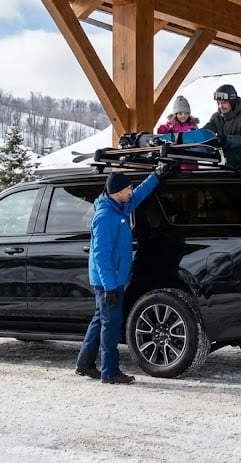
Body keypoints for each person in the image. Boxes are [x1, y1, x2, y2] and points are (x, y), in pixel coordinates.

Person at [75, 164, 168, 384]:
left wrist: (156, 176)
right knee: (111, 324)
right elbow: (101, 254)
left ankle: (84, 363)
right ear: (117, 191)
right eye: (127, 188)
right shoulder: (105, 217)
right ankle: (110, 372)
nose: (130, 191)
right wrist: (109, 287)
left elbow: (138, 195)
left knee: (100, 320)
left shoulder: (120, 206)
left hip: (112, 278)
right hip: (108, 281)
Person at [203, 84, 241, 171]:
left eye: (224, 103)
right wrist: (192, 134)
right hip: (230, 164)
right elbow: (205, 132)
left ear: (232, 102)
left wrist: (225, 140)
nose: (221, 106)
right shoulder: (217, 118)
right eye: (219, 103)